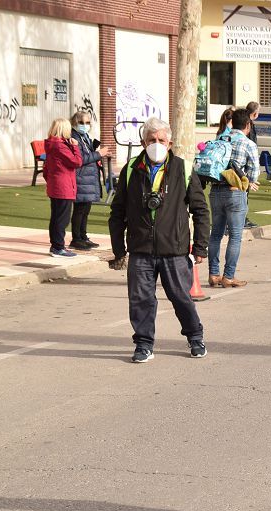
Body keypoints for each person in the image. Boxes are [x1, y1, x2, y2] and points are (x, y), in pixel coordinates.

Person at [108, 117, 211, 363]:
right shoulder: (132, 168)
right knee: (141, 299)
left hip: (173, 249)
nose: (156, 144)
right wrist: (118, 248)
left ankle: (195, 337)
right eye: (151, 140)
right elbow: (118, 211)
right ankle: (143, 344)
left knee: (180, 297)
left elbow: (200, 210)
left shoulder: (183, 169)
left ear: (170, 142)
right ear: (143, 142)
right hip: (141, 249)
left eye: (161, 140)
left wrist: (200, 246)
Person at [208, 109, 259, 289]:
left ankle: (214, 274)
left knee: (215, 234)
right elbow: (254, 172)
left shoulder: (220, 139)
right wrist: (247, 181)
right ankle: (228, 276)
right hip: (235, 192)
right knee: (235, 236)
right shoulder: (248, 143)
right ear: (247, 125)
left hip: (215, 191)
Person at [69, 112, 110, 251]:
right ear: (75, 123)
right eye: (82, 122)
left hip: (87, 177)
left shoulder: (84, 136)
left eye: (87, 123)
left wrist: (97, 152)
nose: (85, 125)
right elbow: (80, 159)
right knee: (79, 210)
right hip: (81, 177)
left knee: (85, 209)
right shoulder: (74, 137)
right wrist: (99, 154)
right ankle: (76, 238)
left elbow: (87, 155)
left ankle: (83, 236)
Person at [42, 118, 83, 258]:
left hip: (56, 185)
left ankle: (56, 245)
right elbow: (77, 162)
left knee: (56, 217)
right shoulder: (60, 146)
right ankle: (58, 247)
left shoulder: (51, 144)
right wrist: (75, 147)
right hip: (63, 187)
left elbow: (46, 169)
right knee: (62, 219)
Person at [244, 102, 261, 230]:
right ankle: (242, 219)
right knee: (243, 193)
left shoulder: (248, 123)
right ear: (254, 113)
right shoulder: (247, 124)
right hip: (245, 164)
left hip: (245, 164)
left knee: (244, 193)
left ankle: (242, 218)